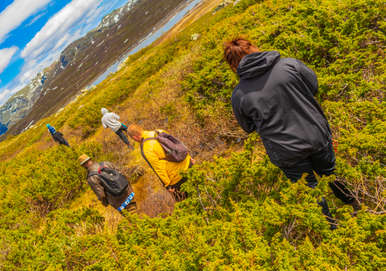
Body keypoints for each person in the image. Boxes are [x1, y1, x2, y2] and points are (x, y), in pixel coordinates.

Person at [224, 38, 359, 229]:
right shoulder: (288, 64)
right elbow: (314, 87)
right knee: (331, 174)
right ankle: (355, 206)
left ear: (233, 65)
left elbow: (248, 127)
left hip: (285, 151)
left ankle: (333, 232)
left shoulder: (239, 95)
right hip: (315, 134)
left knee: (310, 192)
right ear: (254, 49)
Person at [127, 124, 193, 201]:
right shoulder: (159, 131)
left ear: (135, 137)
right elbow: (177, 144)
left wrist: (168, 186)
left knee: (186, 203)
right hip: (188, 164)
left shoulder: (147, 149)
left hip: (177, 177)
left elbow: (158, 168)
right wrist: (189, 157)